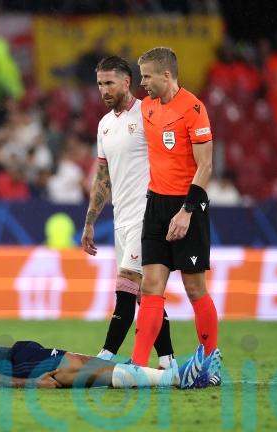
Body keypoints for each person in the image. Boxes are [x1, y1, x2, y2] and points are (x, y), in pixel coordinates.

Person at [130, 47, 221, 386]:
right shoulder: (148, 107)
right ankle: (137, 367)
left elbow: (206, 166)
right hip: (155, 205)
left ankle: (210, 363)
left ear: (166, 75)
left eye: (147, 77)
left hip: (188, 206)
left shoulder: (193, 109)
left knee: (195, 287)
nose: (143, 83)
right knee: (150, 286)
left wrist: (186, 211)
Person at [81, 56, 175, 369]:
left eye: (109, 83)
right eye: (99, 84)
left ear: (126, 82)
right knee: (145, 294)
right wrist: (90, 222)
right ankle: (168, 361)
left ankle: (105, 357)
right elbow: (102, 178)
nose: (103, 90)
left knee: (127, 282)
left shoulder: (148, 113)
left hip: (148, 215)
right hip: (121, 219)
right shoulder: (104, 125)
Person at [0, 339, 214, 389]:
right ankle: (177, 378)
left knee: (89, 364)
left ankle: (176, 375)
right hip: (16, 365)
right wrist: (31, 384)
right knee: (86, 369)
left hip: (18, 354)